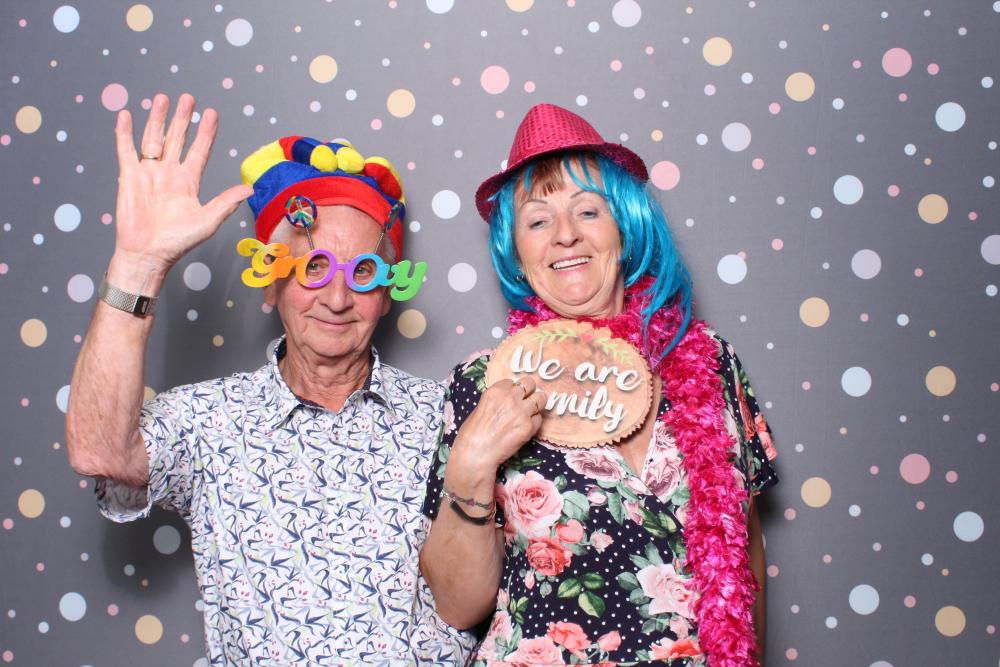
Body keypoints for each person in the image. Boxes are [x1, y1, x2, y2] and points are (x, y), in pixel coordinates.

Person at [65, 93, 473, 665]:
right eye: (313, 267)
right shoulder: (208, 421)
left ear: (386, 294)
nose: (337, 298)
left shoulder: (452, 418)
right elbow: (99, 450)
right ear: (270, 284)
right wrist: (139, 264)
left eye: (362, 271)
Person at [420, 104, 779, 666]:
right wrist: (470, 463)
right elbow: (457, 606)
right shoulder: (484, 382)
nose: (565, 236)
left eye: (588, 211)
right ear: (517, 250)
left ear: (625, 227)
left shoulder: (712, 361)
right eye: (538, 221)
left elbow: (746, 547)